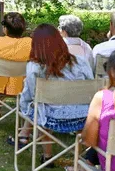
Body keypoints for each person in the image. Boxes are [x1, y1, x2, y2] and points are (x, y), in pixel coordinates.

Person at [10, 24, 94, 161]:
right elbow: (90, 86)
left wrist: (23, 107)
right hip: (82, 118)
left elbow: (30, 95)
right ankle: (81, 160)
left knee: (40, 107)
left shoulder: (35, 67)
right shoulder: (81, 62)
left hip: (50, 119)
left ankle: (47, 157)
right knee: (43, 105)